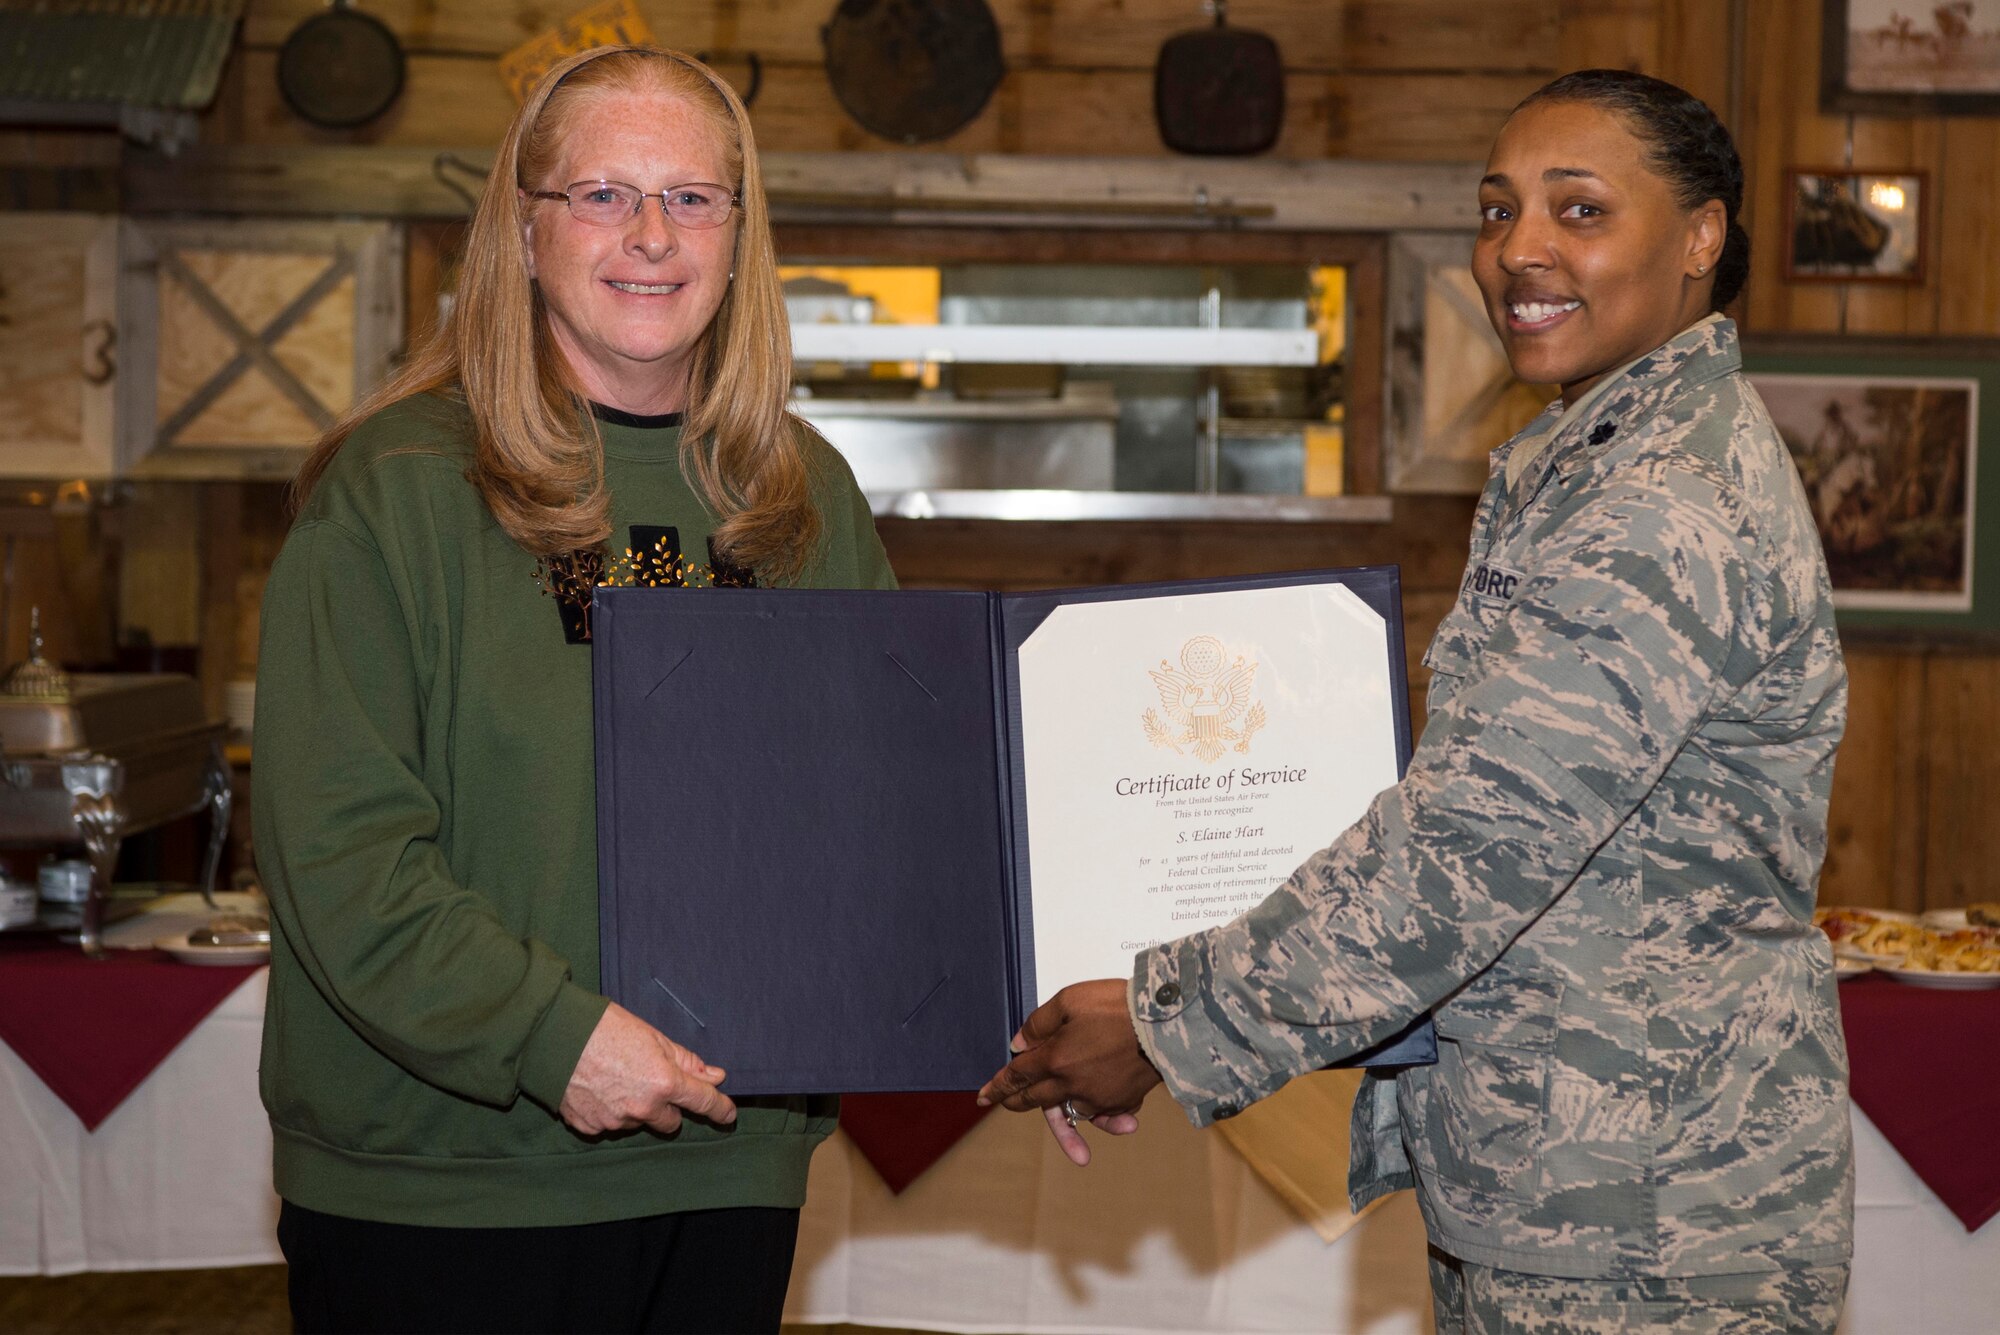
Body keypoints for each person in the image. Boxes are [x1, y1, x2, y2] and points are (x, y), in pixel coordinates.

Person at [980, 69, 1852, 1333]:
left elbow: (1466, 849)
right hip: (1576, 1194)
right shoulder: (1599, 463)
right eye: (1495, 211)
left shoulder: (1655, 504)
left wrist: (1172, 1020)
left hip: (1643, 1229)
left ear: (1699, 239)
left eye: (1579, 211)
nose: (1518, 251)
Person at [253, 45, 894, 1335]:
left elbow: (882, 816)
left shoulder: (801, 496)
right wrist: (552, 1039)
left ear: (739, 231)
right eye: (602, 194)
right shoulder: (396, 490)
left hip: (725, 1167)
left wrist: (1036, 1014)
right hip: (443, 1191)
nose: (651, 236)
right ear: (524, 228)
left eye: (694, 198)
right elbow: (339, 859)